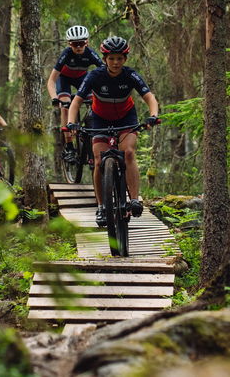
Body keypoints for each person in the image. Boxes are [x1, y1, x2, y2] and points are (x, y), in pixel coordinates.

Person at [65, 36, 159, 226]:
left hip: (126, 117)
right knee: (99, 161)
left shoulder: (130, 75)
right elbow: (76, 102)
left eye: (119, 58)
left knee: (129, 152)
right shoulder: (95, 76)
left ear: (125, 59)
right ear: (105, 58)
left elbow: (150, 98)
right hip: (99, 118)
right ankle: (101, 207)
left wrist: (153, 115)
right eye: (111, 58)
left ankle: (133, 199)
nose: (115, 62)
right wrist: (71, 122)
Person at [46, 25, 103, 161]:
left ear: (87, 42)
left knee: (94, 104)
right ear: (69, 44)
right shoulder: (66, 54)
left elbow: (105, 71)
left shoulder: (90, 54)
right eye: (74, 44)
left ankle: (90, 130)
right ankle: (69, 146)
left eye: (81, 43)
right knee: (66, 106)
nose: (78, 47)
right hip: (64, 79)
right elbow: (51, 80)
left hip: (82, 79)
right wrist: (54, 98)